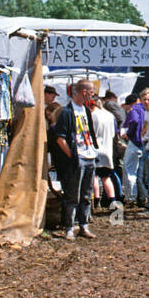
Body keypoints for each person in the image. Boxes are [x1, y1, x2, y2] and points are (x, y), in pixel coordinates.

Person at [51, 79, 101, 239]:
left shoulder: (85, 110)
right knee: (73, 194)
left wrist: (93, 149)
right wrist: (73, 155)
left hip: (89, 156)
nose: (93, 94)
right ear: (84, 92)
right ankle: (69, 227)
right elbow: (60, 138)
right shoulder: (66, 112)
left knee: (87, 193)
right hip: (77, 157)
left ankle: (84, 225)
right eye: (91, 91)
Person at [89, 94, 119, 212]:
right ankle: (112, 200)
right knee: (106, 177)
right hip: (107, 149)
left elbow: (92, 133)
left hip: (96, 149)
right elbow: (112, 134)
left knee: (94, 176)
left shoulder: (93, 115)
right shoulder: (109, 115)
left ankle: (96, 200)